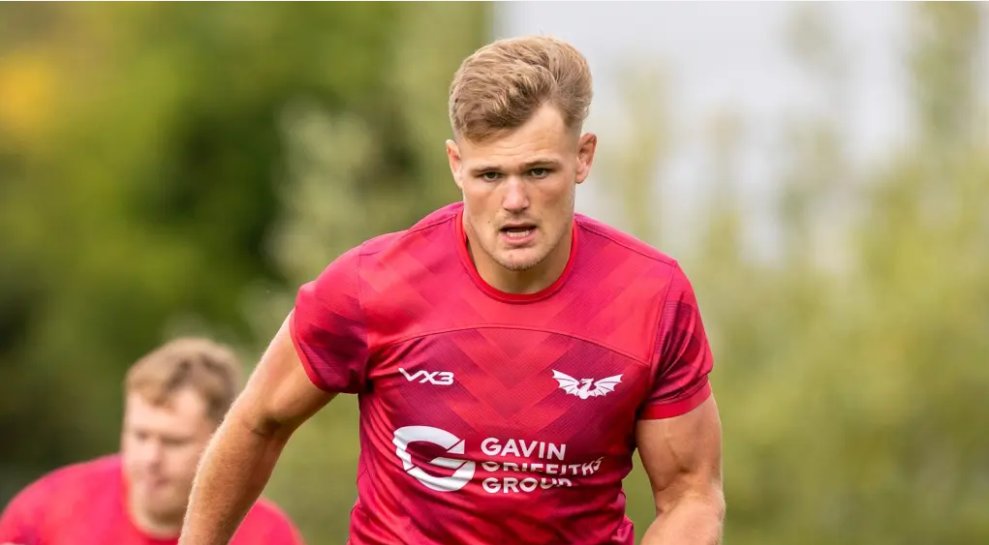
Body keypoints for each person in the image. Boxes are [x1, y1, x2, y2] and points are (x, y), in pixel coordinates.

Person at [179, 35, 724, 545]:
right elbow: (258, 422)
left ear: (583, 157)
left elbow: (691, 494)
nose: (514, 200)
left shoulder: (651, 296)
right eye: (490, 175)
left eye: (538, 172)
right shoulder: (372, 284)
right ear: (456, 165)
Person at [0, 338, 304, 545]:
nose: (150, 458)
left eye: (173, 442)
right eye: (140, 435)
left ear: (221, 441)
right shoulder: (45, 511)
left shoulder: (267, 536)